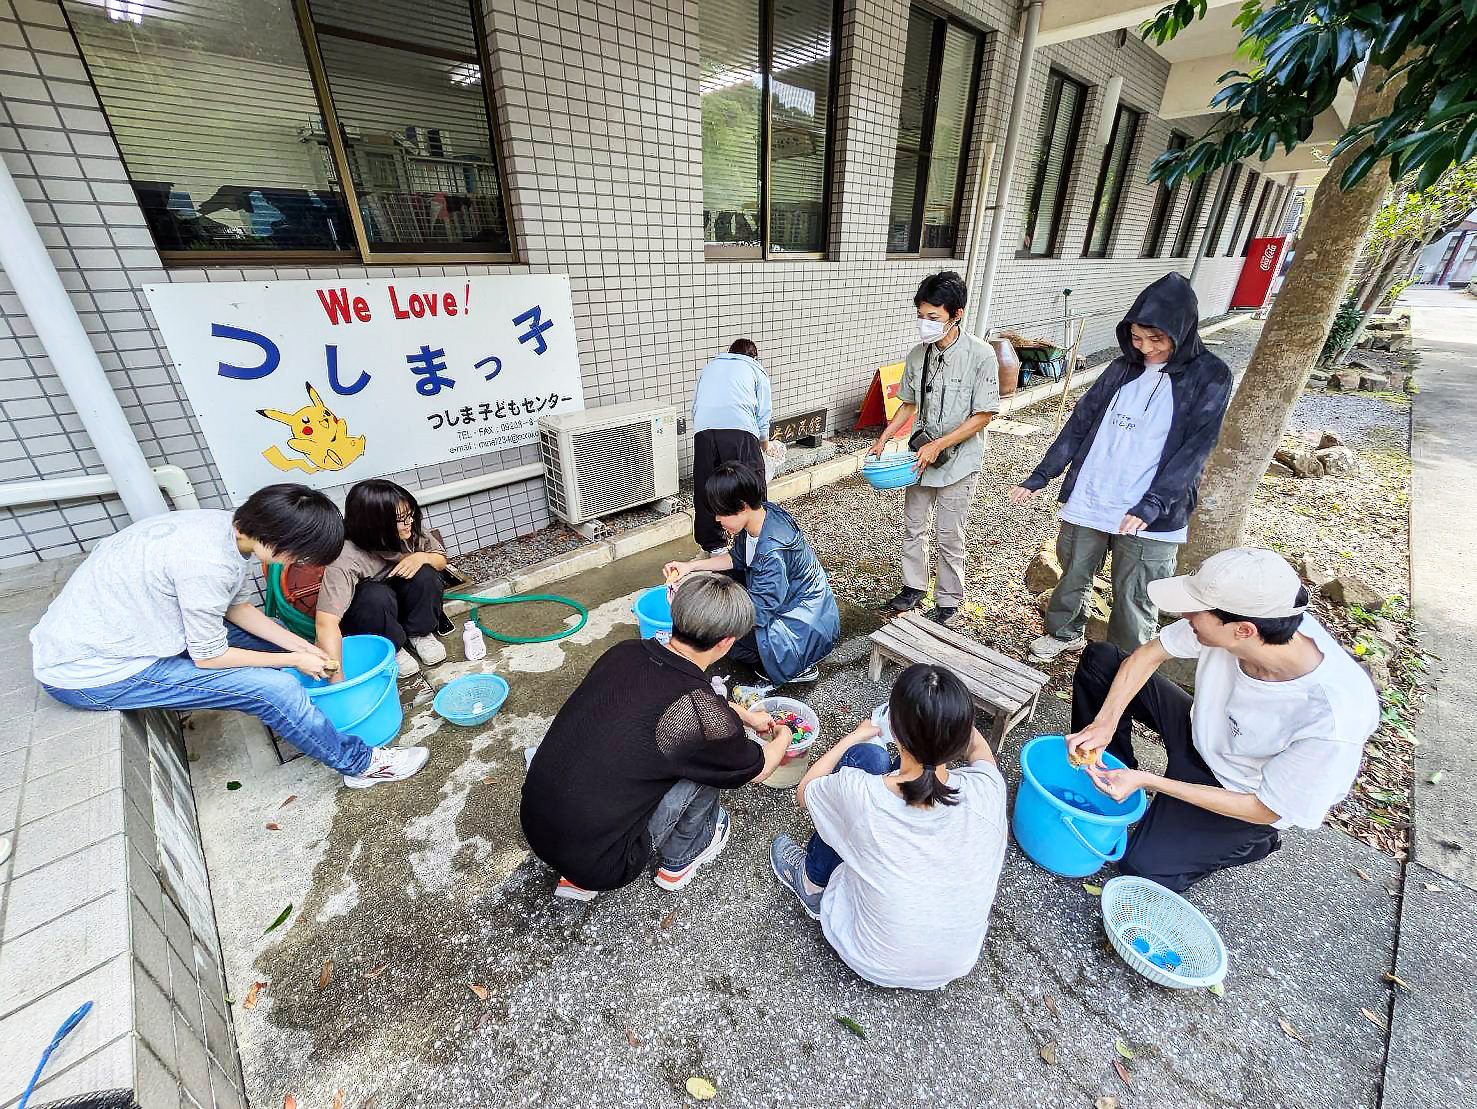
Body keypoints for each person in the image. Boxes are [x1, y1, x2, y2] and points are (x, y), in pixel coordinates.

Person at [30, 484, 430, 789]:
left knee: (287, 650)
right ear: (281, 542)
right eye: (303, 555)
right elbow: (208, 657)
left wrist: (299, 646)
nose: (302, 564)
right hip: (95, 672)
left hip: (121, 634)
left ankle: (315, 718)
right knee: (275, 690)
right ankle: (361, 766)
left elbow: (238, 611)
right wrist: (292, 660)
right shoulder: (207, 563)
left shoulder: (225, 529)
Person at [1067, 547, 1379, 892]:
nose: (1185, 615)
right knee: (1103, 661)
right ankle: (1112, 774)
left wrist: (1149, 781)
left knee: (1140, 868)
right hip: (1203, 731)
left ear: (1243, 631)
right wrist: (1105, 724)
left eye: (1195, 612)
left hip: (1241, 791)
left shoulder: (1334, 719)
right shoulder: (1244, 618)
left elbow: (1267, 809)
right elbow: (1148, 655)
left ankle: (1248, 842)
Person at [520, 572, 794, 900]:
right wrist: (785, 736)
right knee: (716, 765)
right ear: (726, 642)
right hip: (603, 863)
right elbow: (758, 768)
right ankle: (680, 861)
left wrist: (747, 715)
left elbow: (689, 704)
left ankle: (578, 871)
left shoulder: (624, 652)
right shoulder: (702, 716)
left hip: (537, 825)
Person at [1010, 273, 1233, 661]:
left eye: (1157, 340)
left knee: (1137, 589)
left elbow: (1196, 450)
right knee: (1075, 570)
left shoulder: (1210, 375)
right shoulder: (1122, 368)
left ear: (1182, 332)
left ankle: (1124, 660)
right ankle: (1065, 633)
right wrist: (1042, 474)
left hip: (1152, 511)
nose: (1146, 349)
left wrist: (1152, 505)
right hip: (1095, 493)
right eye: (1137, 338)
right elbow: (1080, 422)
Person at [769, 664, 1008, 989]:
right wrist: (947, 716)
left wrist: (853, 737)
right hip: (954, 963)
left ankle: (811, 884)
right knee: (885, 773)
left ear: (894, 728)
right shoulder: (989, 790)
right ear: (960, 735)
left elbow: (805, 791)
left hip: (871, 957)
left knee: (868, 759)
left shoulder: (862, 795)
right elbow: (979, 749)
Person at [868, 271, 1000, 628]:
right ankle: (914, 587)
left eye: (933, 317)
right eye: (921, 316)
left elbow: (984, 414)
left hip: (959, 460)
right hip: (922, 456)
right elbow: (908, 405)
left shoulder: (981, 356)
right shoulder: (917, 355)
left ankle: (948, 601)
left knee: (949, 533)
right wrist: (885, 437)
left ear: (956, 315)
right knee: (913, 526)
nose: (925, 324)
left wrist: (940, 444)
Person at [663, 461, 838, 687]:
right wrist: (690, 566)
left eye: (721, 513)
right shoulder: (760, 517)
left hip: (803, 630)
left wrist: (695, 613)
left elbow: (758, 613)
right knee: (722, 592)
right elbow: (737, 558)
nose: (717, 519)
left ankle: (798, 667)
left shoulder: (772, 552)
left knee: (716, 638)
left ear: (743, 506)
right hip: (808, 612)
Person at [315, 479, 450, 680]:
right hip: (372, 615)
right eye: (401, 518)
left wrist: (423, 557)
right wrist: (335, 677)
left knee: (426, 573)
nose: (410, 522)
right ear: (374, 525)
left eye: (410, 514)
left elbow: (441, 561)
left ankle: (419, 635)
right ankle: (391, 648)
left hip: (403, 606)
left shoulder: (410, 532)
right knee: (374, 594)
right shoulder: (346, 556)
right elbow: (326, 622)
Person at [691, 338, 773, 555]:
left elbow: (696, 406)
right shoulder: (756, 369)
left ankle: (713, 547)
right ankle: (756, 539)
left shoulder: (710, 367)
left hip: (704, 431)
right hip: (740, 429)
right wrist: (764, 445)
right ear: (754, 357)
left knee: (707, 486)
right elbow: (763, 414)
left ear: (730, 353)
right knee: (750, 483)